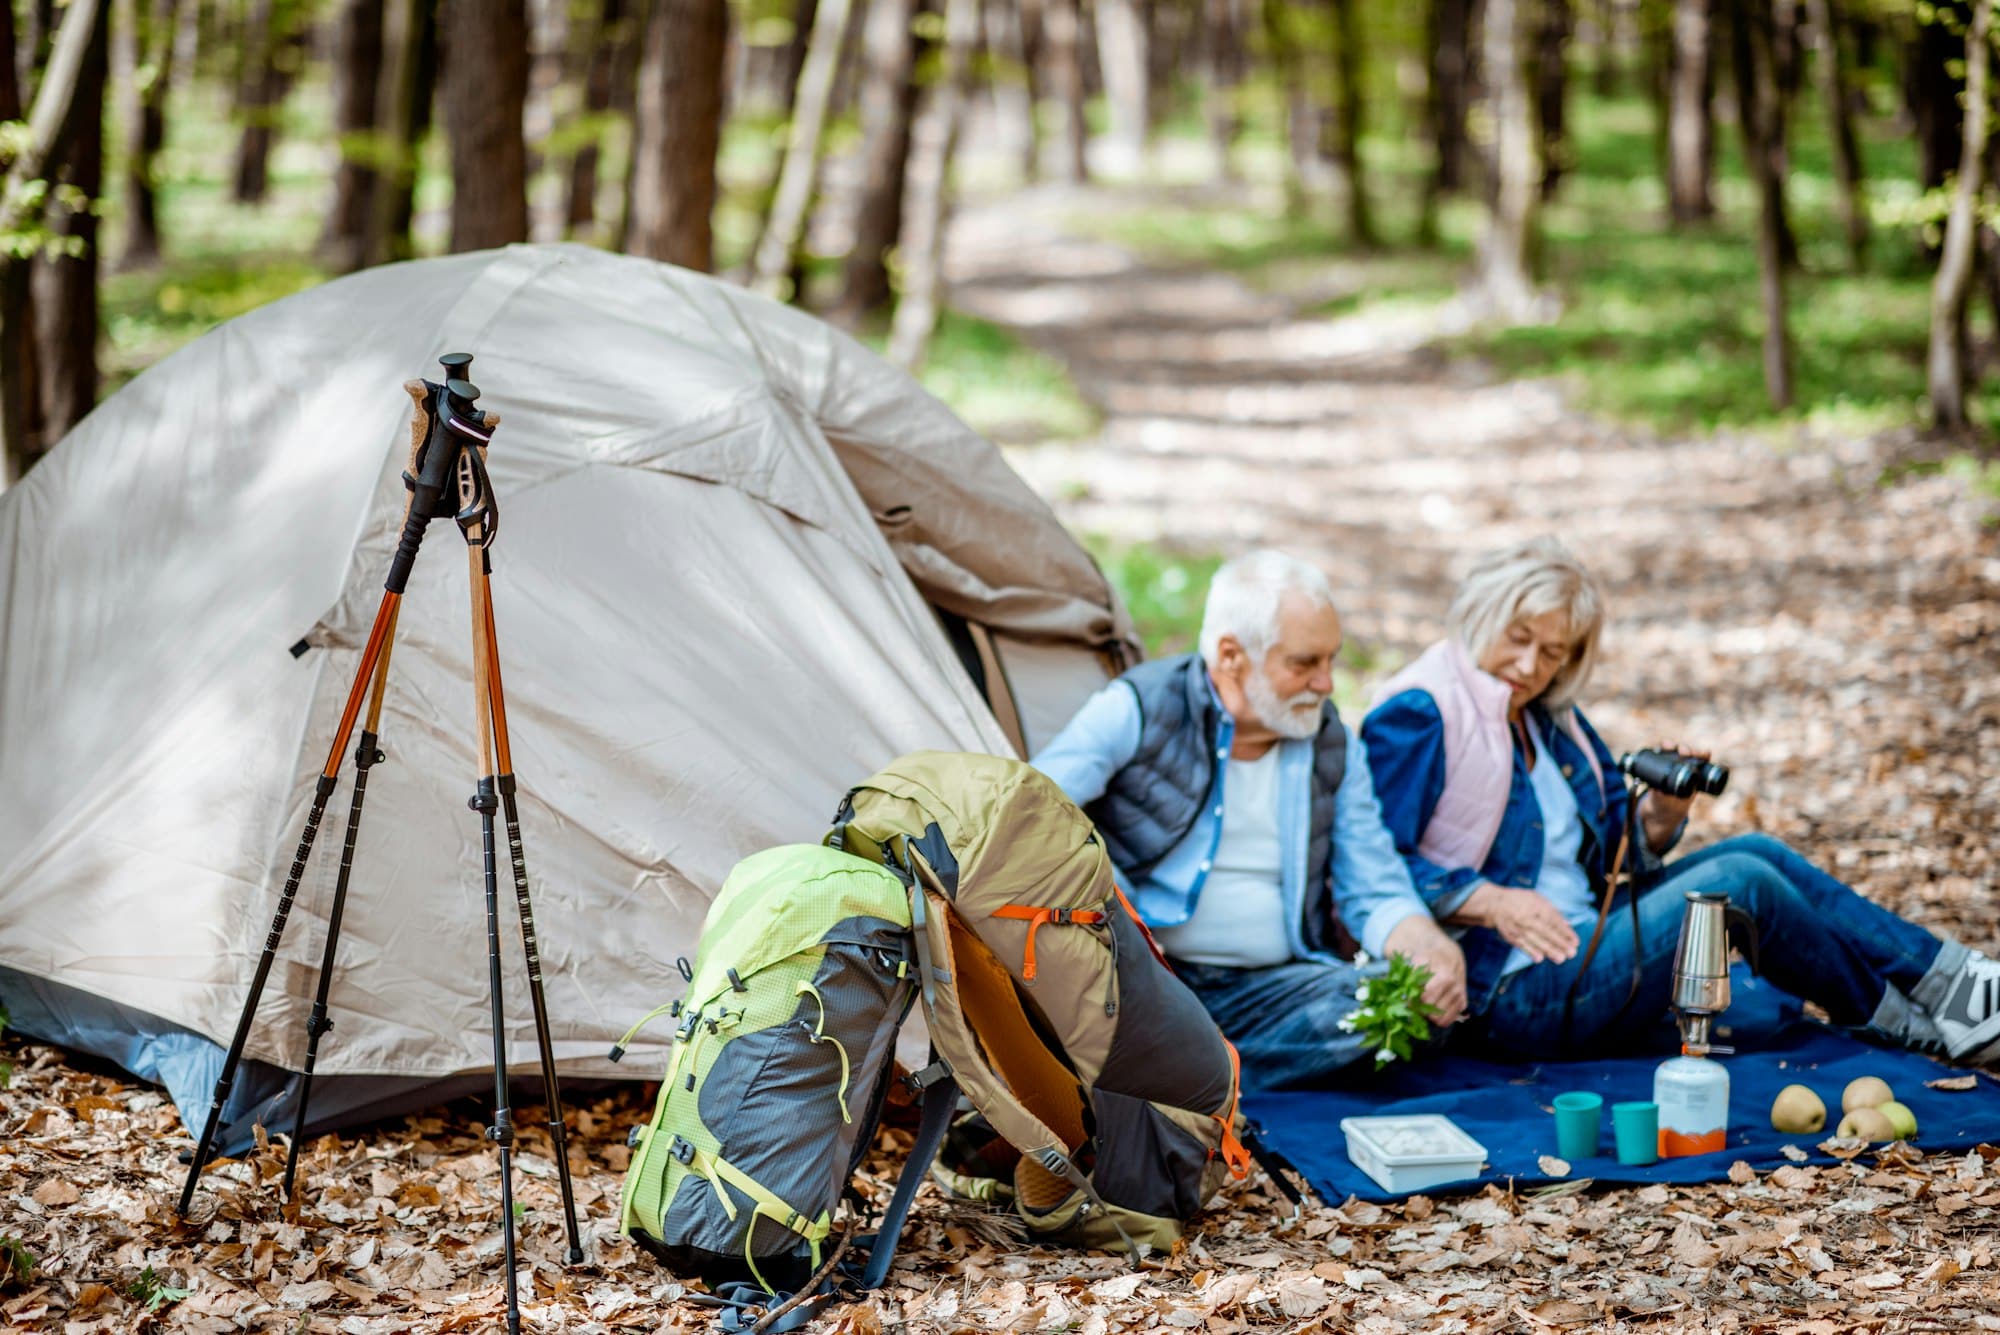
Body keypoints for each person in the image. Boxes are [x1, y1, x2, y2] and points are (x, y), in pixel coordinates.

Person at [1360, 535, 2000, 1063]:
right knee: (1736, 882)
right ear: (1484, 614)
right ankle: (1910, 1017)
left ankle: (1950, 989)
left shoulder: (1551, 720)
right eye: (1518, 637)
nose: (1528, 665)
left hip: (1591, 938)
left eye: (1551, 652)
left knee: (1755, 851)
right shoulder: (1420, 712)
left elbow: (1613, 858)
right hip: (1516, 991)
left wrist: (1661, 816)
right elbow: (1367, 863)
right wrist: (1488, 900)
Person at [1033, 550, 1467, 1089]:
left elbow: (1373, 884)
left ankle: (1190, 1075)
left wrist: (1425, 943)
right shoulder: (1139, 707)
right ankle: (1198, 1069)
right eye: (1305, 664)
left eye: (1331, 660)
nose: (1327, 683)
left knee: (1410, 1004)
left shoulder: (1332, 743)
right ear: (1231, 655)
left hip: (1279, 992)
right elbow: (1035, 809)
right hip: (1147, 986)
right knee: (1087, 1013)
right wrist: (1120, 912)